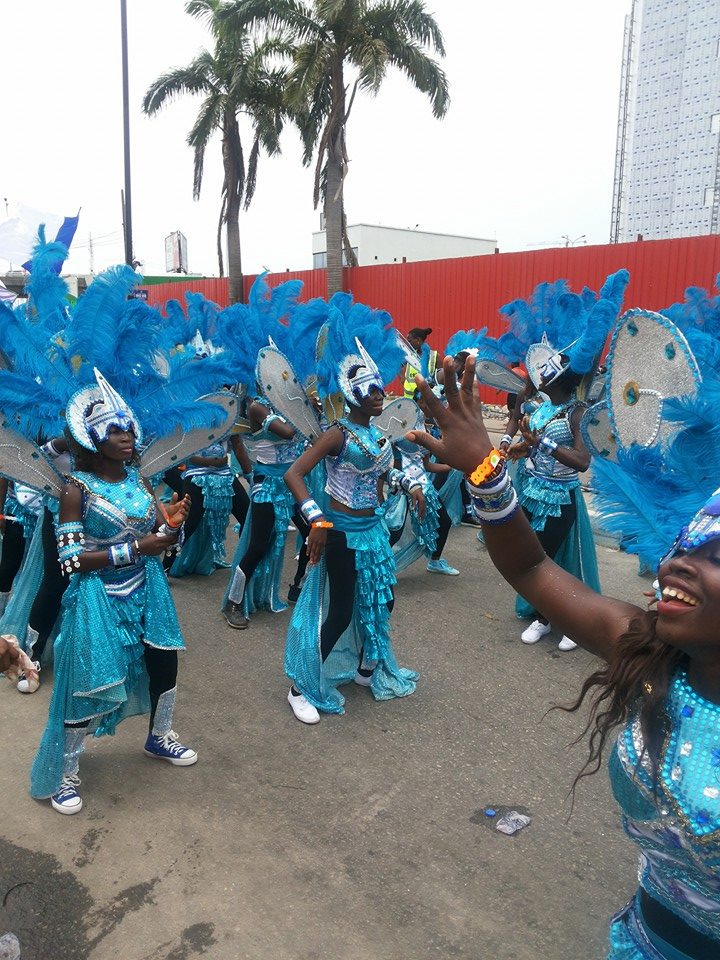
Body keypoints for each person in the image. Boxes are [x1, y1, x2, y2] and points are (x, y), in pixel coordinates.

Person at [410, 355, 720, 960]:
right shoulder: (649, 651)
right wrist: (487, 467)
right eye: (686, 542)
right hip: (638, 943)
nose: (679, 562)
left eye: (716, 556)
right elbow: (531, 567)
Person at [30, 371, 196, 815]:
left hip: (147, 590)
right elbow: (69, 561)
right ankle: (65, 773)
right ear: (92, 438)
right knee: (90, 683)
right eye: (114, 431)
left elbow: (157, 532)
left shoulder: (139, 480)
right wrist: (138, 547)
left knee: (165, 663)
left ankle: (158, 737)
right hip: (97, 599)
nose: (126, 437)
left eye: (128, 429)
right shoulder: (76, 491)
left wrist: (171, 526)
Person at [284, 340, 422, 724]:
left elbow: (383, 472)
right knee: (341, 611)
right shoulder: (337, 435)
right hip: (342, 532)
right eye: (371, 390)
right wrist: (316, 519)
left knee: (384, 600)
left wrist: (409, 484)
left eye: (381, 388)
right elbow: (293, 474)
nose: (380, 396)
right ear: (352, 394)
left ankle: (364, 668)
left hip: (373, 529)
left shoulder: (378, 434)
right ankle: (299, 688)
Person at [505, 360, 599, 651]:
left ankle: (570, 622)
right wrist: (521, 447)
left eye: (546, 372)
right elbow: (533, 440)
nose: (539, 375)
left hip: (560, 496)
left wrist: (542, 443)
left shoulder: (577, 412)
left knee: (553, 560)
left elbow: (583, 461)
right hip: (532, 489)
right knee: (533, 557)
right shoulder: (543, 406)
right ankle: (543, 617)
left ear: (560, 379)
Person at [223, 395, 302, 629]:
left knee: (311, 532)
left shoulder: (290, 403)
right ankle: (233, 602)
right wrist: (306, 412)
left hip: (291, 484)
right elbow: (287, 432)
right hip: (267, 485)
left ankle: (299, 586)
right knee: (259, 545)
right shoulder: (257, 407)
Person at [168, 434, 249, 577]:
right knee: (189, 523)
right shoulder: (191, 418)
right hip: (196, 475)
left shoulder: (229, 418)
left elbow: (237, 447)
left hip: (225, 474)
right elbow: (181, 450)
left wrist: (250, 475)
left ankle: (246, 566)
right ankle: (166, 566)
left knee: (247, 516)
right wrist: (208, 461)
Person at [403, 327, 437, 398]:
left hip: (426, 402)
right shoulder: (409, 356)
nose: (408, 344)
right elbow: (398, 369)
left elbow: (440, 379)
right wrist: (403, 381)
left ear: (418, 340)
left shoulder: (434, 356)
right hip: (410, 402)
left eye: (410, 341)